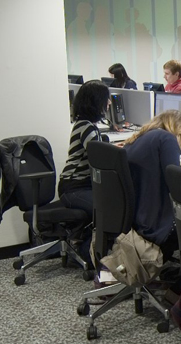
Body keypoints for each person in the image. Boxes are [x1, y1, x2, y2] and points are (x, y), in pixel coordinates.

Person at [122, 110, 181, 258]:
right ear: (179, 129)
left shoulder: (142, 136)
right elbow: (178, 186)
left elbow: (163, 173)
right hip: (157, 225)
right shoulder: (167, 138)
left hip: (138, 219)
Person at [59, 80, 110, 264]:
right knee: (108, 208)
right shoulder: (87, 127)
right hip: (73, 188)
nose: (109, 103)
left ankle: (85, 242)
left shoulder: (84, 124)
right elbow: (99, 159)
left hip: (79, 185)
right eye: (106, 99)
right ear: (97, 102)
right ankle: (85, 249)